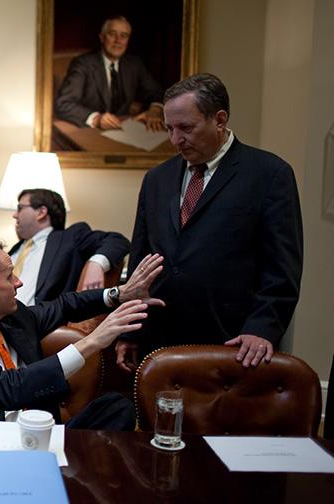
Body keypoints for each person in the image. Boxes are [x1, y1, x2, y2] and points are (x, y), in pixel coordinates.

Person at [116, 73, 303, 372]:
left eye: (186, 128)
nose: (176, 140)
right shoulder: (156, 179)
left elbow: (282, 268)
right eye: (170, 129)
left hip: (233, 342)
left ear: (219, 120)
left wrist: (262, 327)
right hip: (160, 341)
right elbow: (140, 263)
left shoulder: (269, 174)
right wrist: (130, 330)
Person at [0, 236, 165, 428]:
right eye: (9, 276)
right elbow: (7, 389)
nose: (19, 282)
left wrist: (120, 294)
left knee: (117, 407)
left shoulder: (13, 318)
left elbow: (64, 305)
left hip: (39, 436)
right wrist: (93, 341)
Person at [8, 188, 129, 305]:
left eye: (20, 208)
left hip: (32, 319)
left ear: (41, 212)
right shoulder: (15, 249)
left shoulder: (69, 238)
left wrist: (96, 263)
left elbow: (117, 240)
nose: (14, 215)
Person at [54, 15, 163, 131]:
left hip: (125, 129)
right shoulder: (83, 64)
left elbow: (156, 92)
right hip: (92, 131)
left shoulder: (134, 64)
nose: (118, 41)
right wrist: (96, 118)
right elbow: (63, 104)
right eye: (112, 34)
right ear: (102, 37)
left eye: (124, 36)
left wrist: (155, 110)